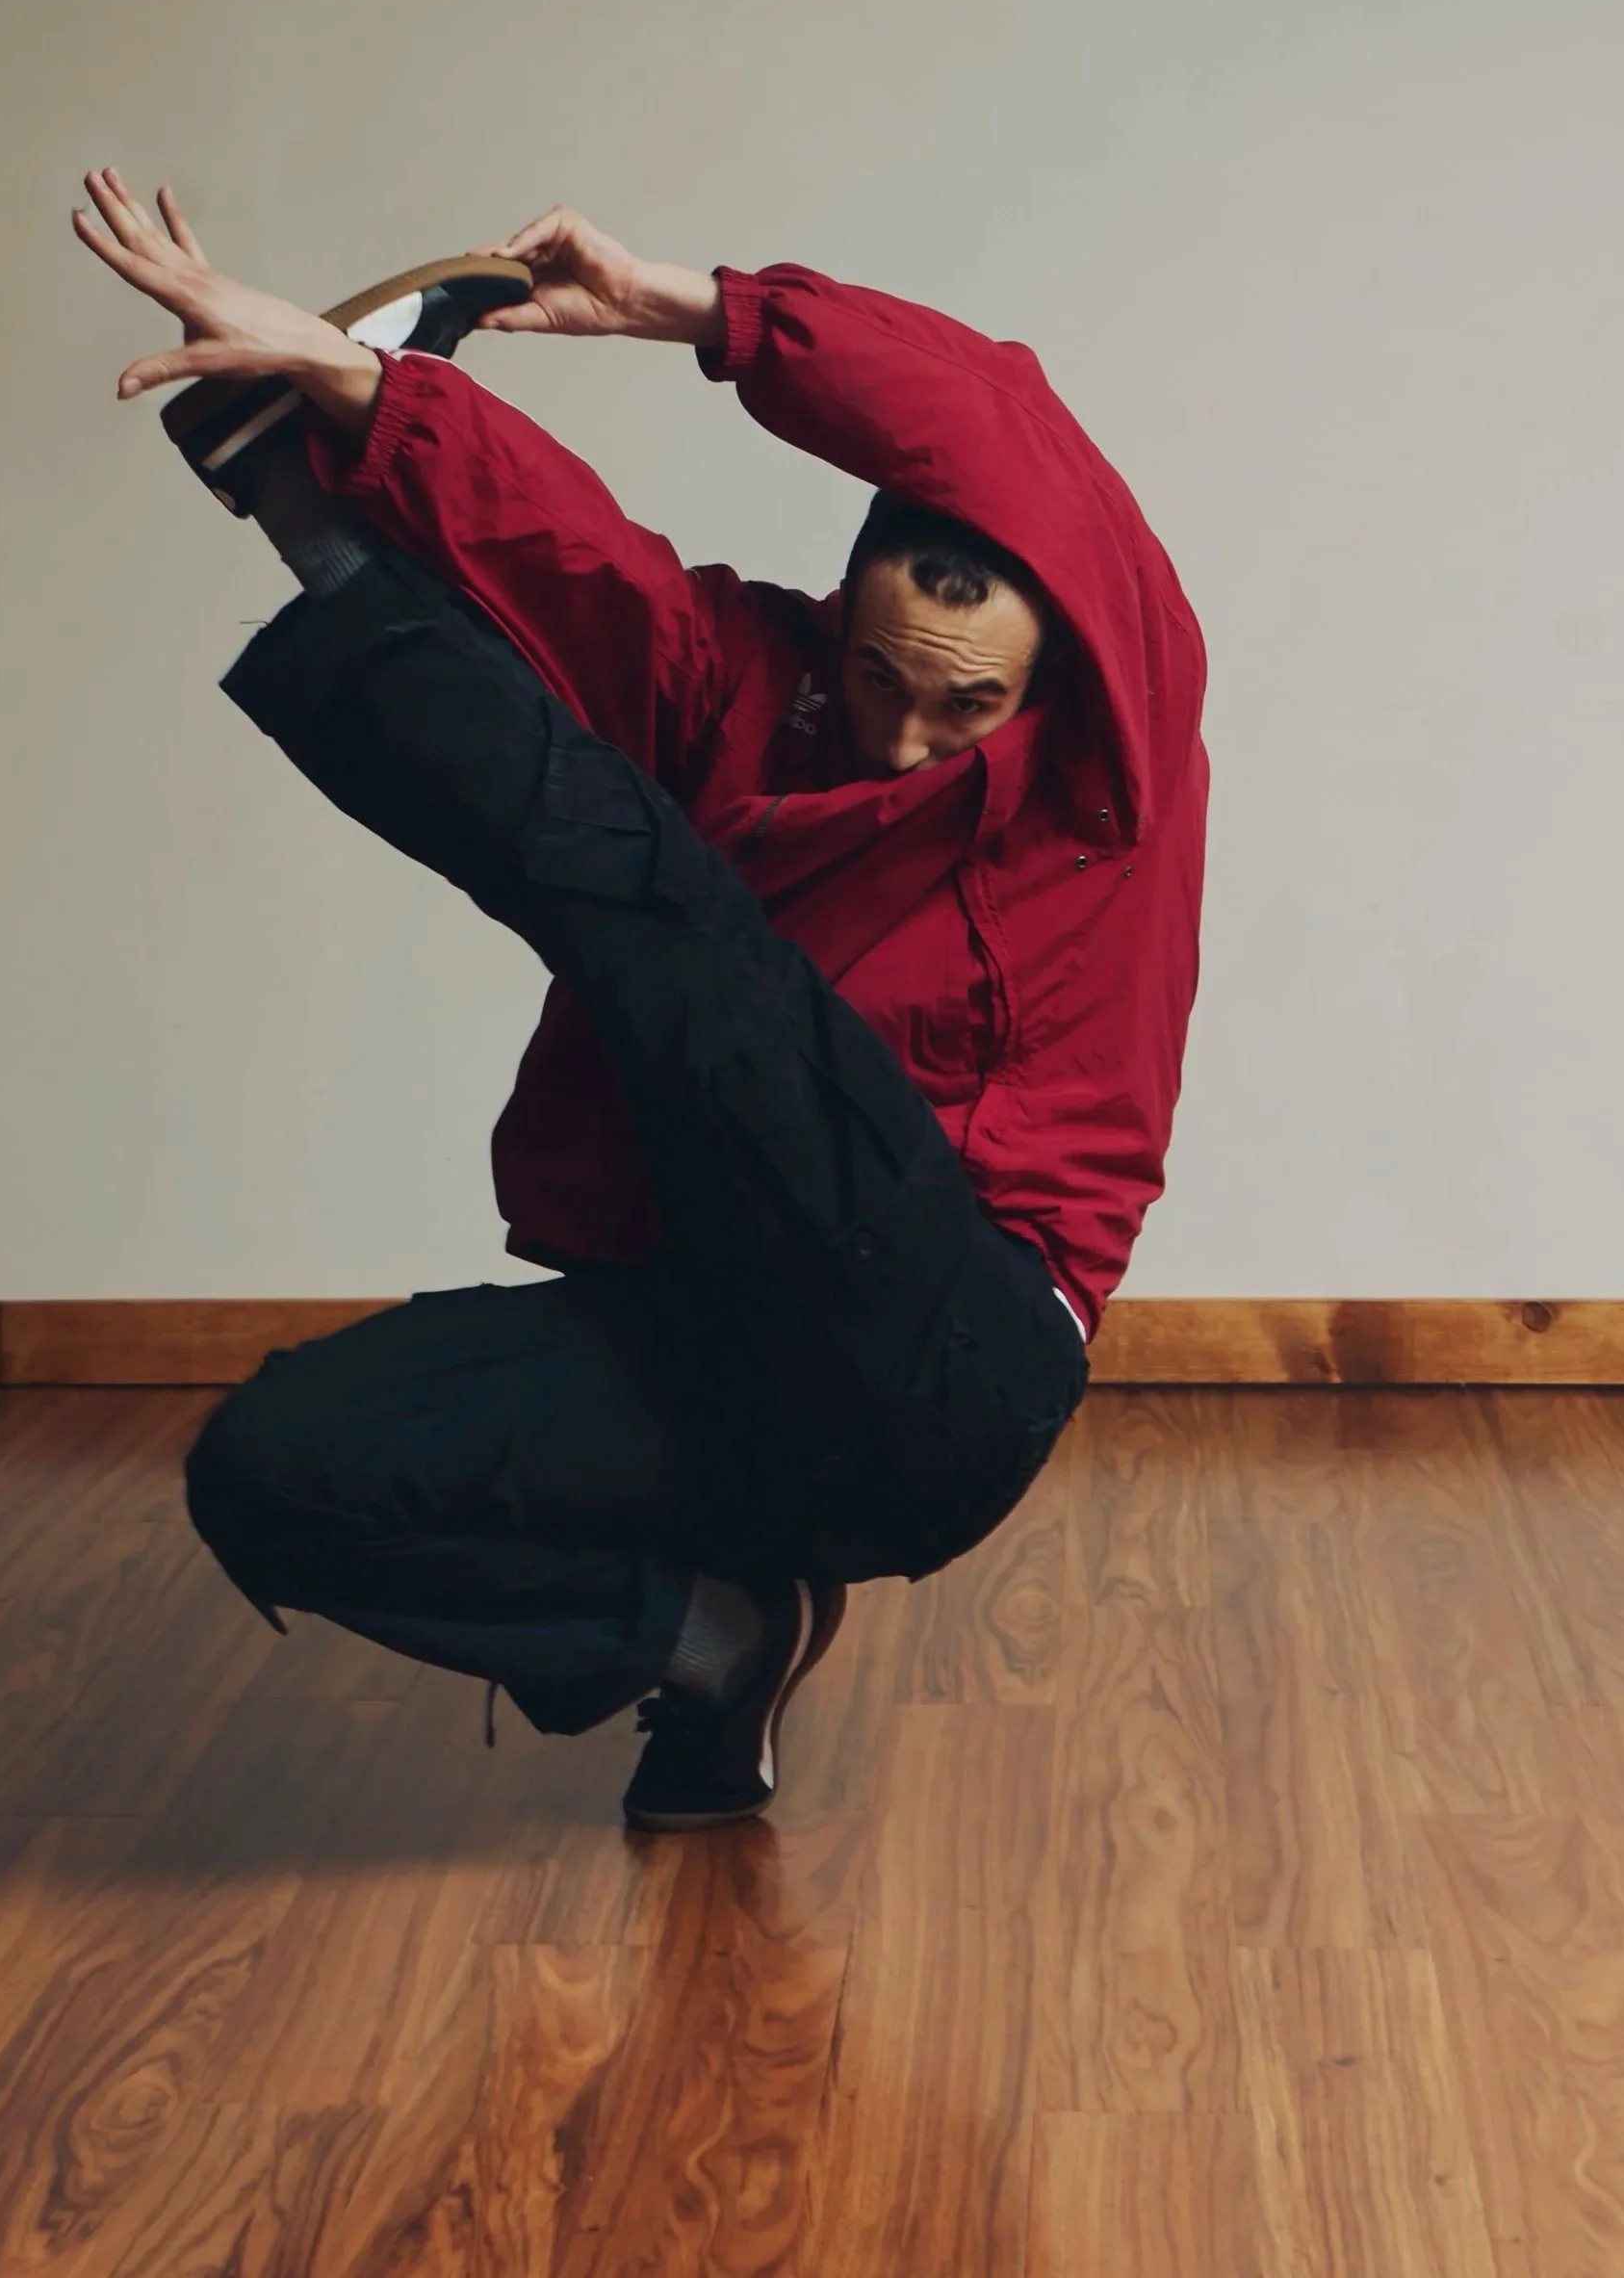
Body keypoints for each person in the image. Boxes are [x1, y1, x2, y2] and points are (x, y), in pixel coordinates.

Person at [70, 170, 1209, 1829]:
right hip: (731, 1356)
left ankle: (306, 528)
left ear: (1046, 685)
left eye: (959, 707)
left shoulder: (1110, 785)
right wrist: (365, 389)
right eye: (880, 678)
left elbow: (1002, 423)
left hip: (950, 1356)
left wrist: (703, 312)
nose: (902, 736)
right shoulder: (756, 685)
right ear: (845, 623)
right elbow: (576, 568)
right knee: (273, 1468)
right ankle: (714, 1640)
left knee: (674, 920)